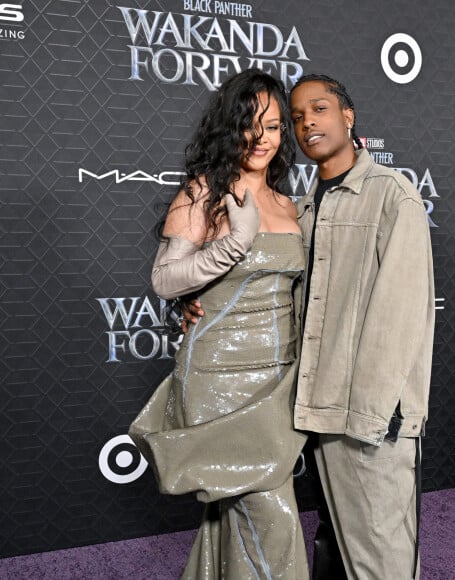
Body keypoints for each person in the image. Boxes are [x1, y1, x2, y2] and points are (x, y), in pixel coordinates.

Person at [129, 68, 309, 580]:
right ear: (230, 127)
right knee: (270, 517)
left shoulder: (288, 204)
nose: (262, 138)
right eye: (250, 124)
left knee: (234, 518)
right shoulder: (204, 192)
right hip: (218, 378)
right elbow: (166, 281)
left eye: (274, 127)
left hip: (278, 382)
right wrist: (231, 245)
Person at [288, 74, 435, 580]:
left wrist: (371, 417)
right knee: (332, 542)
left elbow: (401, 316)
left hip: (370, 419)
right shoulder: (303, 210)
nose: (308, 121)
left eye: (320, 108)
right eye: (297, 116)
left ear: (348, 116)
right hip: (315, 409)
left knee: (382, 560)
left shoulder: (393, 197)